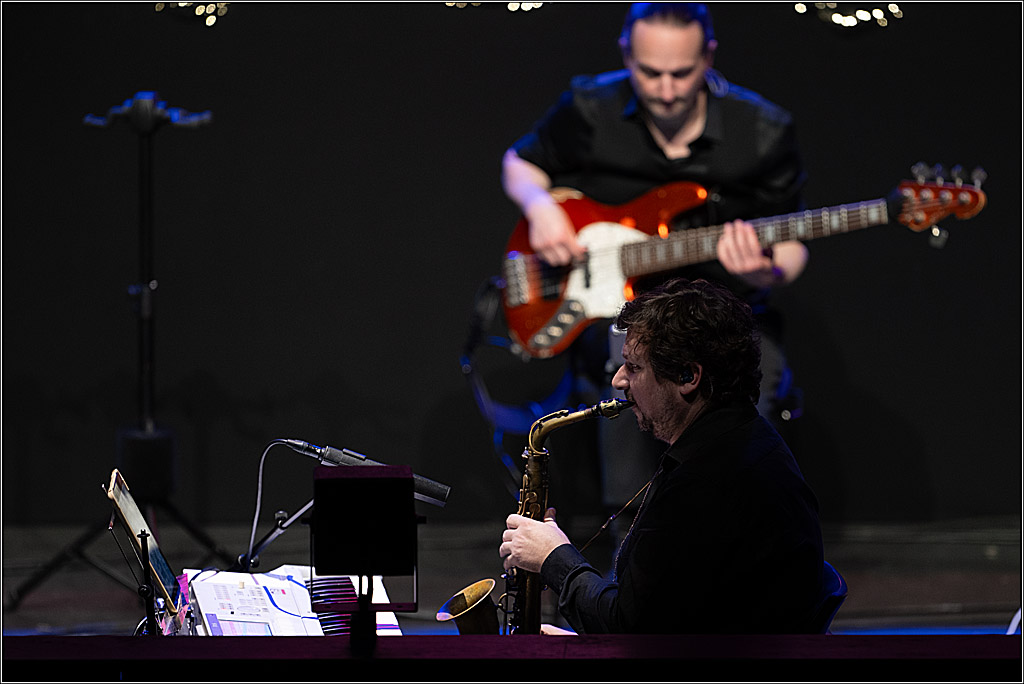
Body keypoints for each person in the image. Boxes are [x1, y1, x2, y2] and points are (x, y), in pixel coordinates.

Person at [501, 2, 808, 532]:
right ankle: (633, 553)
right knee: (633, 352)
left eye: (683, 73)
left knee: (739, 402)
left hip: (730, 317)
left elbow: (793, 242)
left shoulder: (762, 129)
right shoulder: (591, 105)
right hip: (619, 314)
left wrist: (766, 272)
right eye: (649, 73)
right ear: (626, 53)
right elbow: (519, 163)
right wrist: (542, 208)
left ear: (709, 55)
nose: (666, 89)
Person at [499, 277, 826, 634]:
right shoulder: (746, 443)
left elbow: (629, 629)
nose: (618, 381)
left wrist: (554, 558)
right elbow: (668, 616)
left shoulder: (703, 486)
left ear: (688, 376)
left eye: (635, 367)